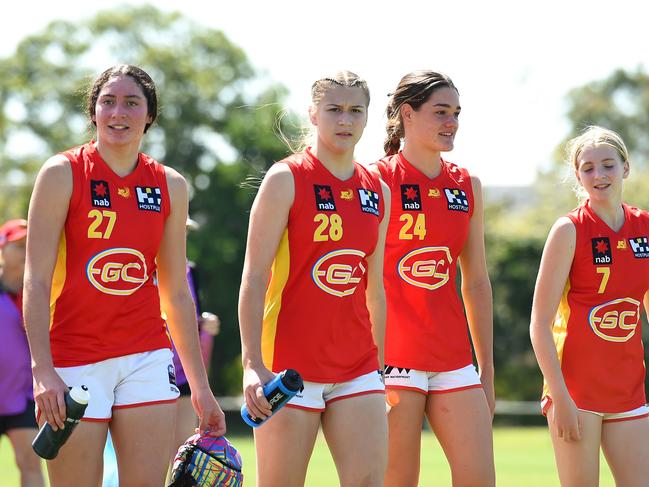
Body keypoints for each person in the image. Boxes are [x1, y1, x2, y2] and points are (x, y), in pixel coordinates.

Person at [23, 64, 225, 487]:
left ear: (149, 114)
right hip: (73, 360)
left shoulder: (170, 185)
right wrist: (42, 370)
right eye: (108, 101)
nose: (119, 112)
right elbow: (35, 281)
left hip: (146, 357)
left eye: (132, 102)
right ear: (93, 111)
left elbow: (175, 292)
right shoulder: (61, 173)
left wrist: (202, 389)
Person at [239, 71, 391, 487]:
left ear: (366, 117)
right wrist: (253, 364)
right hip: (287, 367)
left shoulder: (378, 189)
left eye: (355, 111)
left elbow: (374, 289)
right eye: (334, 110)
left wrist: (378, 368)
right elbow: (253, 278)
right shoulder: (285, 178)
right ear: (313, 114)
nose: (345, 120)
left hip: (358, 364)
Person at [372, 70, 495, 486]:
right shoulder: (375, 180)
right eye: (441, 112)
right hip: (391, 360)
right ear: (407, 114)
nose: (452, 123)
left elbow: (476, 282)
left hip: (454, 359)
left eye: (456, 113)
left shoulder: (468, 185)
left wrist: (487, 370)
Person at [530, 125, 649, 486]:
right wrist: (560, 398)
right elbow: (539, 323)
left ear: (626, 168)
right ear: (578, 175)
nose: (599, 175)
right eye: (588, 168)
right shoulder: (568, 230)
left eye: (608, 165)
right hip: (575, 392)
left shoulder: (645, 227)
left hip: (629, 388)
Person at [0, 219, 46, 487]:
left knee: (30, 461)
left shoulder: (40, 292)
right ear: (3, 250)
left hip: (24, 395)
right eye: (19, 245)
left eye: (30, 244)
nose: (26, 250)